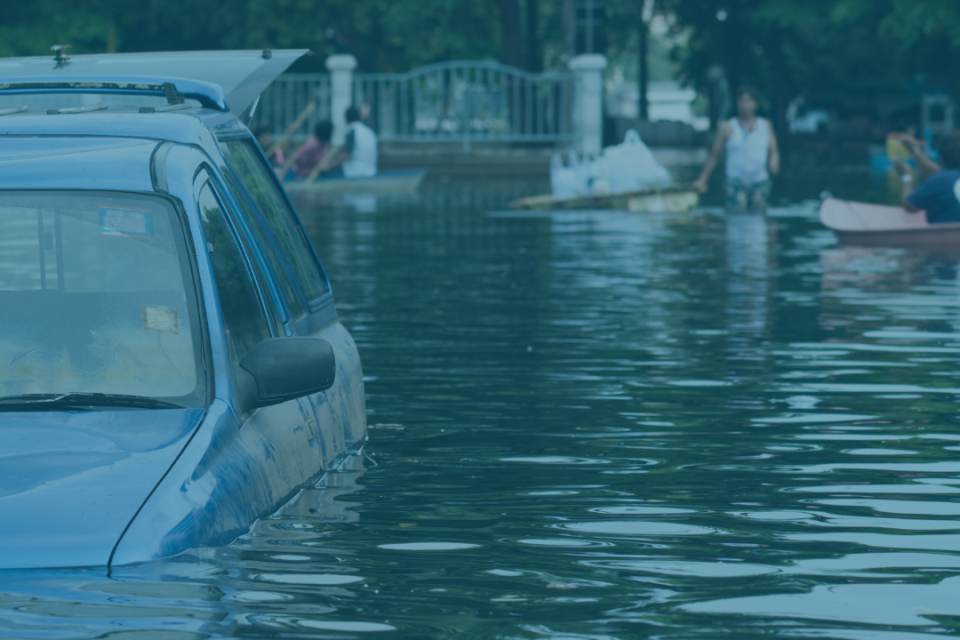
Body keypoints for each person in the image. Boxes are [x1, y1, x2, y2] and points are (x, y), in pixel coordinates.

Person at [693, 86, 780, 212]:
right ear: (736, 103)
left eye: (748, 101)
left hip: (760, 180)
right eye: (741, 101)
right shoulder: (726, 127)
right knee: (737, 210)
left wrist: (774, 163)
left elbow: (773, 150)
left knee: (759, 209)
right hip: (735, 181)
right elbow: (714, 155)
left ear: (755, 104)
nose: (745, 105)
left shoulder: (765, 125)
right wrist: (703, 179)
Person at [894, 131, 960, 223]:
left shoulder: (940, 180)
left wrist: (906, 176)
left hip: (946, 237)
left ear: (941, 157)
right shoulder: (944, 178)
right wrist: (913, 151)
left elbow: (909, 206)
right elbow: (937, 173)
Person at [318, 105, 378, 178]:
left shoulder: (351, 131)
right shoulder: (369, 132)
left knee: (328, 172)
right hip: (371, 172)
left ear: (346, 119)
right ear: (359, 117)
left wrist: (327, 167)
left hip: (354, 173)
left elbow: (346, 155)